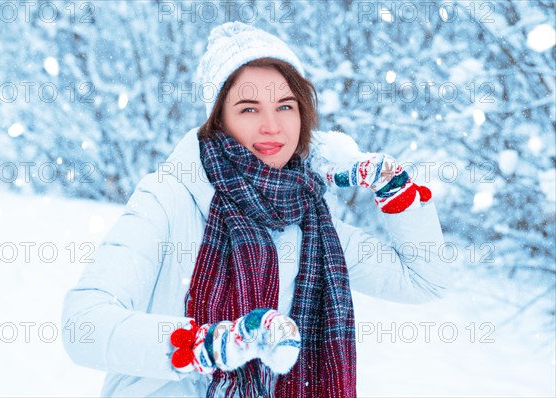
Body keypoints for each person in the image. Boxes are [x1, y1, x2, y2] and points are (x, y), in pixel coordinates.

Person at [61, 21, 450, 398]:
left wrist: (394, 190)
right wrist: (211, 345)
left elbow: (423, 280)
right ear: (219, 120)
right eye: (249, 109)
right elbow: (84, 324)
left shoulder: (311, 221)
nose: (272, 126)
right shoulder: (168, 198)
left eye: (285, 106)